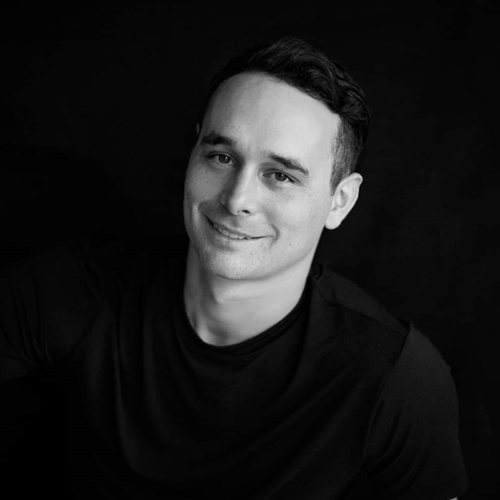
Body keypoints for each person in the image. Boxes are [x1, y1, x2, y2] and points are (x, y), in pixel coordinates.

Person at [0, 37, 468, 499]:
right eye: (221, 157)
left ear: (339, 201)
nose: (237, 199)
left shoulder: (395, 376)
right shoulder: (69, 291)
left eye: (280, 175)